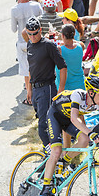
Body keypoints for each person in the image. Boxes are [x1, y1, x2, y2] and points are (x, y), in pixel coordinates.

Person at [38, 75, 99, 196]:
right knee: (56, 151)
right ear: (91, 92)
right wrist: (91, 133)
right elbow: (74, 118)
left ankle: (64, 161)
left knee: (84, 140)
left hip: (69, 120)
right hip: (55, 115)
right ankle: (44, 191)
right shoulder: (78, 95)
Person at [25, 17, 68, 155]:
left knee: (44, 125)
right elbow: (31, 68)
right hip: (36, 89)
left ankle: (52, 155)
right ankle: (51, 153)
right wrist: (29, 88)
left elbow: (63, 67)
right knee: (43, 122)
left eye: (35, 33)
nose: (32, 36)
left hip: (47, 88)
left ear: (41, 30)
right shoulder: (29, 44)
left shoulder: (48, 45)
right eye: (29, 34)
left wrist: (60, 90)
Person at [11, 0, 43, 105]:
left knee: (26, 70)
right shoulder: (37, 5)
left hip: (22, 42)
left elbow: (14, 29)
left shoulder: (15, 9)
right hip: (35, 40)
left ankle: (29, 96)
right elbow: (42, 22)